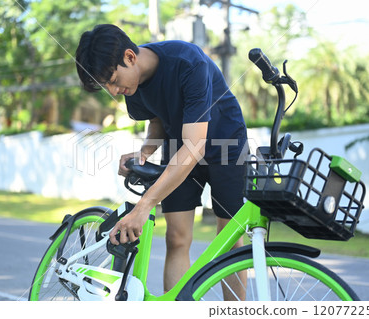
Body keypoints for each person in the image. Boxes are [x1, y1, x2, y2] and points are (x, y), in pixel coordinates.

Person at [75, 24, 247, 294]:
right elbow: (157, 118)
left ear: (130, 57)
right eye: (105, 86)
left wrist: (144, 206)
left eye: (112, 80)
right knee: (176, 238)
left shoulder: (188, 62)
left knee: (230, 241)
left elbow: (195, 147)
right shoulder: (131, 85)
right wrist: (145, 151)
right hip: (180, 146)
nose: (113, 91)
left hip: (226, 145)